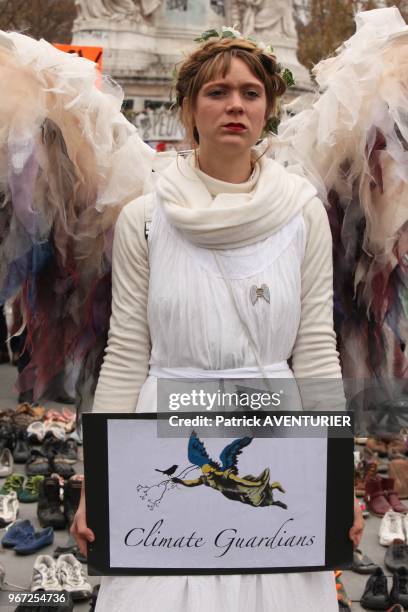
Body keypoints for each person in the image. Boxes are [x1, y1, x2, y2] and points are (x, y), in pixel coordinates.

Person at [71, 32, 364, 612]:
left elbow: (315, 353)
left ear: (267, 110)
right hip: (165, 427)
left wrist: (338, 479)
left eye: (251, 93)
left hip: (275, 434)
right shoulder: (144, 219)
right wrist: (95, 482)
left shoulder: (303, 213)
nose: (236, 105)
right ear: (189, 109)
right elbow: (126, 354)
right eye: (218, 91)